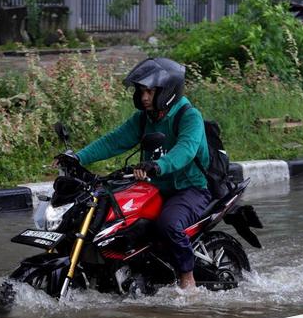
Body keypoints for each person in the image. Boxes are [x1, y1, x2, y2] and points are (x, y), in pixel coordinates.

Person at [70, 57, 211, 289]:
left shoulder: (188, 116)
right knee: (115, 217)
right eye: (141, 91)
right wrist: (78, 157)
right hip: (153, 188)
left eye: (151, 92)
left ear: (168, 91)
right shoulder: (145, 118)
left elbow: (185, 150)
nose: (144, 97)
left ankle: (188, 279)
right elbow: (114, 141)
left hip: (189, 189)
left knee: (168, 224)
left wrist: (158, 165)